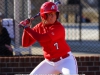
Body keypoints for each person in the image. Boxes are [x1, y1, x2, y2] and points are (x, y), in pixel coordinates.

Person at [20, 2, 78, 75]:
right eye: (50, 14)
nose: (53, 16)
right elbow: (25, 44)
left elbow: (42, 38)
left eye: (54, 14)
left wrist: (27, 28)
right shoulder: (39, 27)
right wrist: (26, 29)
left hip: (65, 61)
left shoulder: (59, 28)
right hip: (49, 63)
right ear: (43, 16)